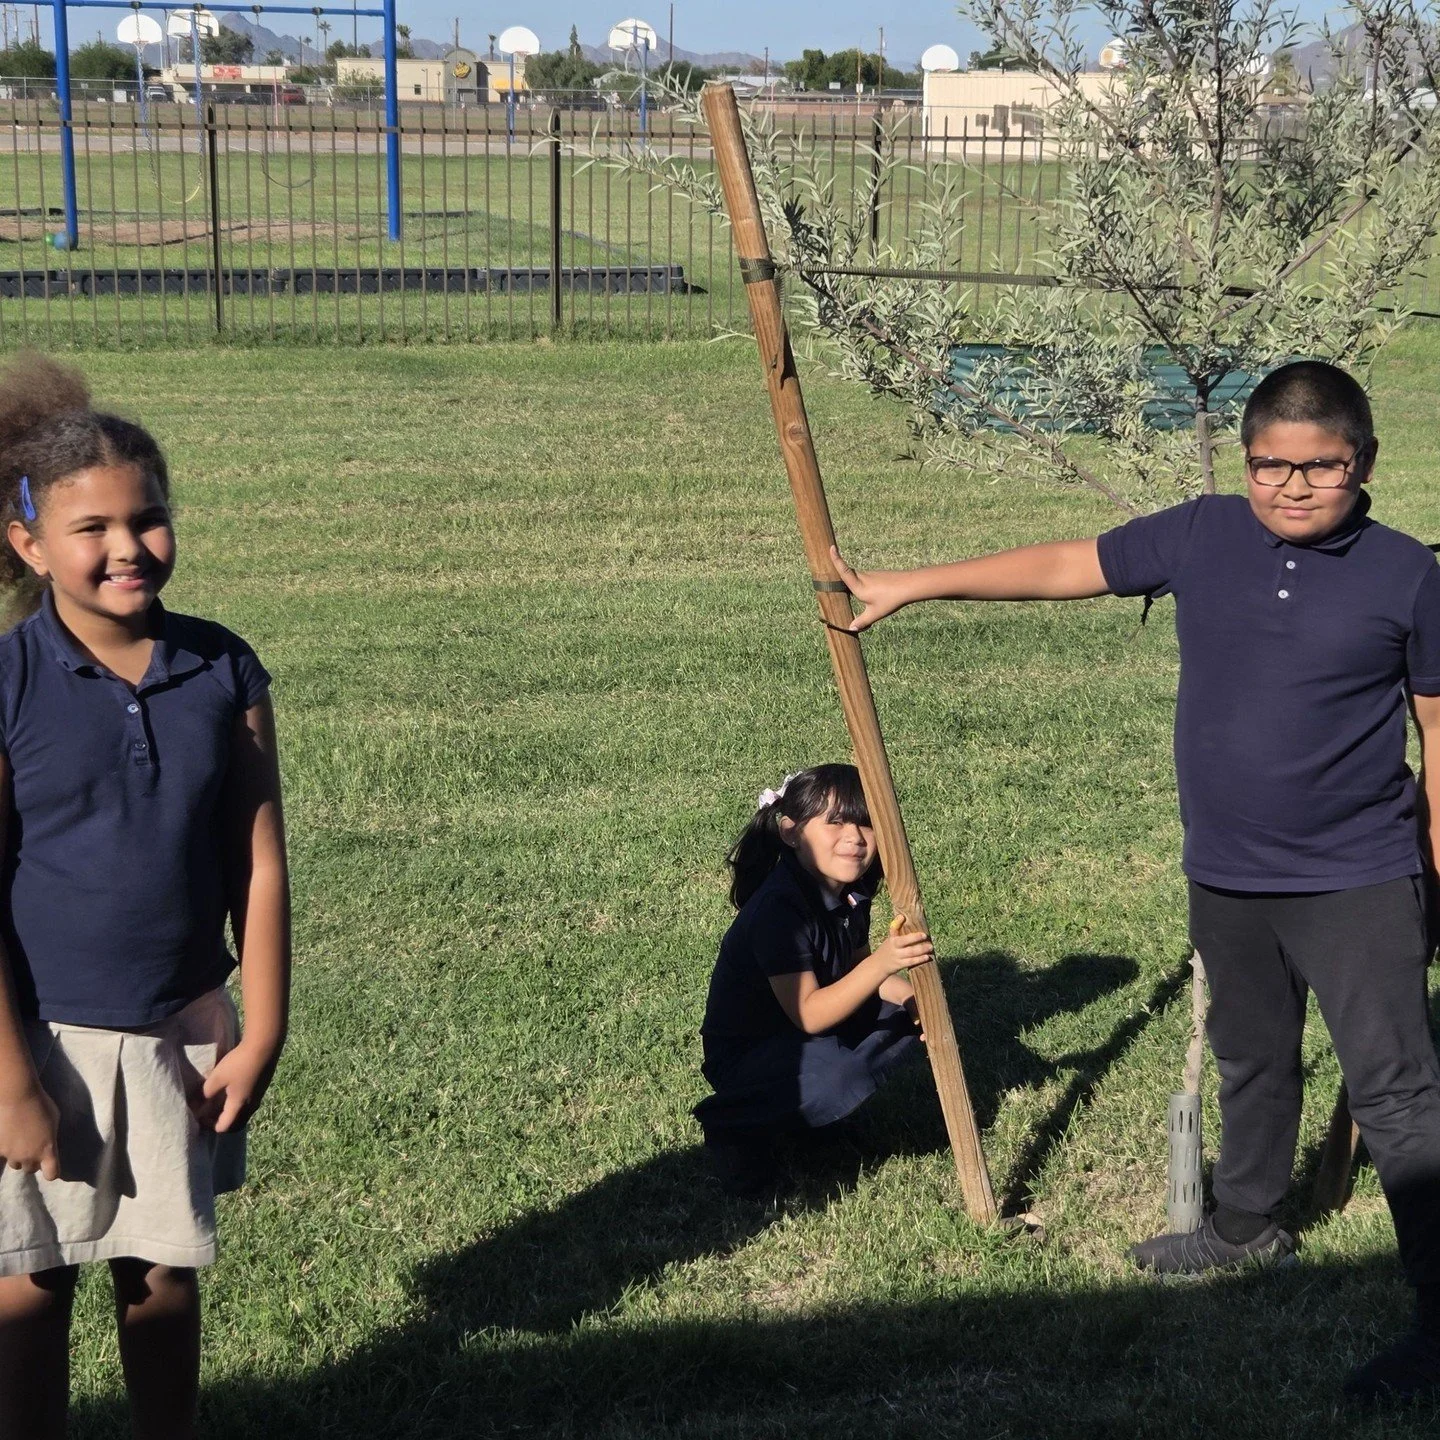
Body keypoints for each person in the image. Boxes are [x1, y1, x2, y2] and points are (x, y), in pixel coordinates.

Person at [831, 360, 1440, 1405]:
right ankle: (1246, 1227)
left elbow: (1438, 729)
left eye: (1320, 467)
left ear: (1366, 462)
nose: (1292, 487)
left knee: (1397, 1092)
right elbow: (1074, 562)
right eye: (1270, 467)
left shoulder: (1409, 575)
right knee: (1253, 1055)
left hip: (1359, 876)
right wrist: (909, 585)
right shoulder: (1203, 534)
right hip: (1228, 869)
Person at [0, 354, 291, 1440]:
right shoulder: (10, 682)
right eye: (93, 528)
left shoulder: (224, 669)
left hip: (180, 1027)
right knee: (30, 1285)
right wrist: (13, 1080)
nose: (128, 546)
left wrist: (261, 1030)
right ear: (27, 543)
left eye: (150, 517)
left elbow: (259, 860)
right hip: (42, 1039)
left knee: (161, 1273)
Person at [694, 763, 931, 1197]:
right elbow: (809, 1014)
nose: (855, 838)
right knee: (842, 1075)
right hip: (751, 1056)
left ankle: (810, 1120)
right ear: (790, 832)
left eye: (867, 822)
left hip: (801, 1041)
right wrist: (884, 962)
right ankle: (732, 1124)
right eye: (835, 822)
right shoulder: (779, 911)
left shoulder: (848, 892)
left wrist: (915, 999)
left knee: (909, 1021)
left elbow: (857, 968)